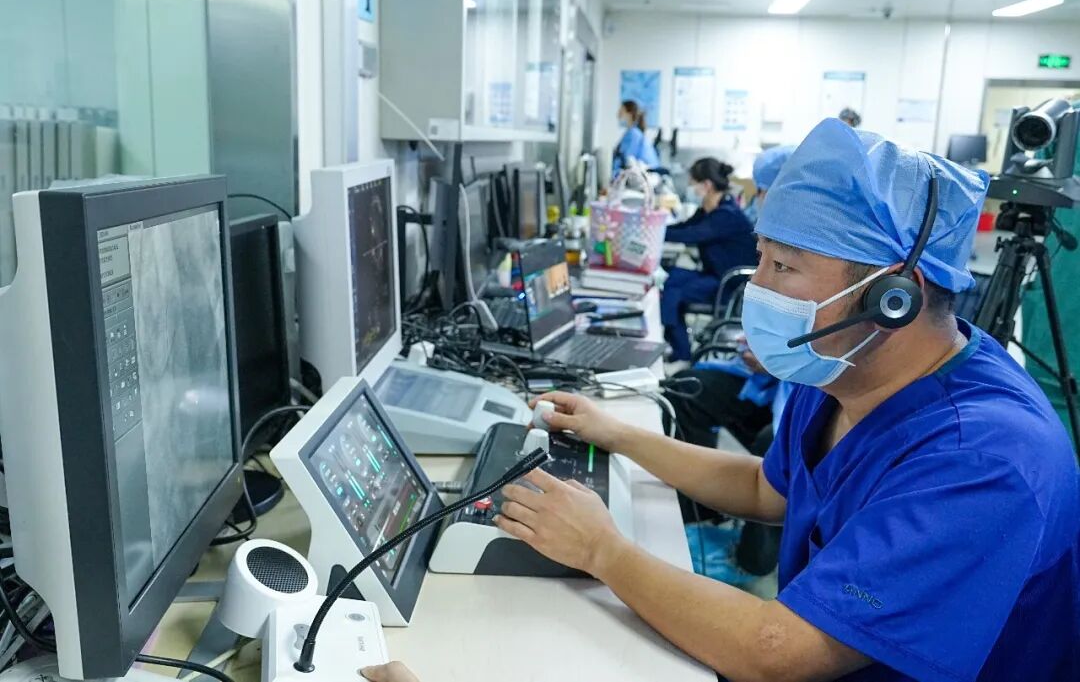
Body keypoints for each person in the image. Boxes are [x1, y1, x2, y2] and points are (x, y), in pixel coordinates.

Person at [363, 118, 1080, 681]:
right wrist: (619, 434)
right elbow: (769, 489)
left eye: (784, 266)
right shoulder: (846, 369)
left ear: (895, 296)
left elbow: (778, 651)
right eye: (761, 256)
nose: (757, 286)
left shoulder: (984, 460)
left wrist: (602, 549)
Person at [665, 145, 796, 585]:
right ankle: (700, 517)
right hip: (772, 381)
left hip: (796, 390)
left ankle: (751, 561)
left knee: (774, 441)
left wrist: (782, 363)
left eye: (764, 190)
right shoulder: (778, 237)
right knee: (688, 388)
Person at [661, 158, 757, 361]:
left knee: (672, 292)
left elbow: (691, 235)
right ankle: (676, 346)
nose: (690, 188)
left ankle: (681, 354)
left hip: (728, 287)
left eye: (693, 183)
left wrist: (656, 232)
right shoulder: (710, 209)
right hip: (713, 275)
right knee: (669, 277)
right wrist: (654, 228)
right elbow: (684, 227)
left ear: (706, 185)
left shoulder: (726, 215)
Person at [612, 100, 659, 177]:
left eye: (621, 110)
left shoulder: (633, 134)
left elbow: (628, 159)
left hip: (647, 173)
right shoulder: (632, 132)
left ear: (629, 113)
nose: (618, 113)